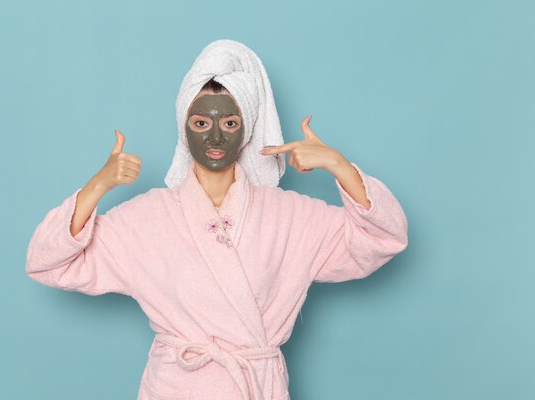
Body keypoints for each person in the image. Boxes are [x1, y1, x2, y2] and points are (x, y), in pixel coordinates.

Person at [26, 39, 408, 400]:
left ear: (246, 130)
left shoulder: (289, 216)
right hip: (176, 389)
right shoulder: (145, 219)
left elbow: (382, 239)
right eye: (200, 123)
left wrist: (337, 165)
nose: (215, 136)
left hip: (254, 384)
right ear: (184, 127)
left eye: (229, 123)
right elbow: (48, 262)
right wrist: (97, 186)